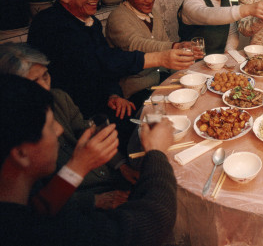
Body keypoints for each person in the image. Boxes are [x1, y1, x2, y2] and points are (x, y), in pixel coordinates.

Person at [27, 0, 196, 150]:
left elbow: (102, 66)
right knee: (148, 126)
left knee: (177, 109)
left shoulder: (90, 22)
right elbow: (101, 59)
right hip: (71, 112)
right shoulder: (51, 25)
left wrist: (113, 93)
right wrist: (160, 57)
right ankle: (143, 163)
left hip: (104, 99)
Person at [0, 74, 177, 246]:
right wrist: (156, 152)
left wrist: (77, 166)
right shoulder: (50, 233)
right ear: (21, 154)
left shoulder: (17, 202)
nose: (60, 130)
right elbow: (156, 220)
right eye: (50, 126)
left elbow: (41, 207)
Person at [0, 43, 139, 212]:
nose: (44, 87)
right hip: (77, 202)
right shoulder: (13, 133)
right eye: (33, 82)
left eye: (45, 76)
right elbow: (36, 206)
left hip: (109, 178)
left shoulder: (58, 99)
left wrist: (122, 166)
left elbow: (87, 132)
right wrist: (93, 200)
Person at [106, 0, 202, 107]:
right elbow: (136, 44)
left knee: (196, 97)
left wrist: (186, 73)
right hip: (137, 91)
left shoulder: (153, 14)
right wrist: (174, 46)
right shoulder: (117, 17)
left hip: (162, 80)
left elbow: (163, 43)